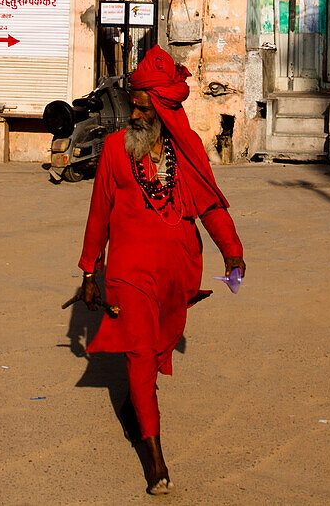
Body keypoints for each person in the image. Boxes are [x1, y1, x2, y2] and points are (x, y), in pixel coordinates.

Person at [77, 46, 245, 495]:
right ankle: (154, 456)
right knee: (139, 352)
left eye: (141, 106)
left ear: (164, 111)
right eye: (132, 104)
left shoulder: (185, 152)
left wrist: (232, 252)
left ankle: (140, 405)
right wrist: (90, 271)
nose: (132, 113)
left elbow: (209, 204)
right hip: (129, 271)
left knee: (155, 350)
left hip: (176, 274)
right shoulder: (115, 149)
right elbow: (99, 213)